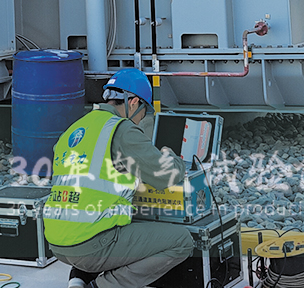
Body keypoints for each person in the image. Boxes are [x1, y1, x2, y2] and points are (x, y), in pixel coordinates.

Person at [44, 68, 194, 288]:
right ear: (133, 102)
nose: (141, 119)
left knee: (109, 224)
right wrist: (172, 157)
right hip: (89, 244)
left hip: (56, 240)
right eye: (144, 111)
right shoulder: (121, 129)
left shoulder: (76, 127)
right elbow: (165, 175)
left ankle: (77, 280)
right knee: (181, 241)